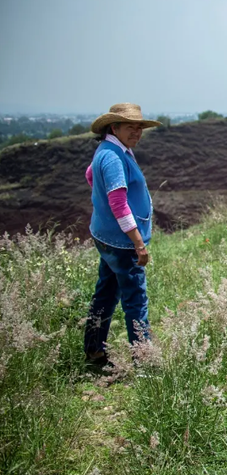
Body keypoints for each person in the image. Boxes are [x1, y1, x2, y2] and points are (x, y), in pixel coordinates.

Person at [83, 103, 161, 367]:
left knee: (106, 292)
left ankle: (94, 351)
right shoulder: (114, 156)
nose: (137, 132)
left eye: (140, 128)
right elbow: (118, 203)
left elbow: (90, 175)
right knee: (135, 300)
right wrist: (138, 243)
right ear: (114, 127)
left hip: (106, 237)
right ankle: (144, 362)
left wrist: (101, 203)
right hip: (123, 243)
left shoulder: (108, 150)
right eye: (131, 127)